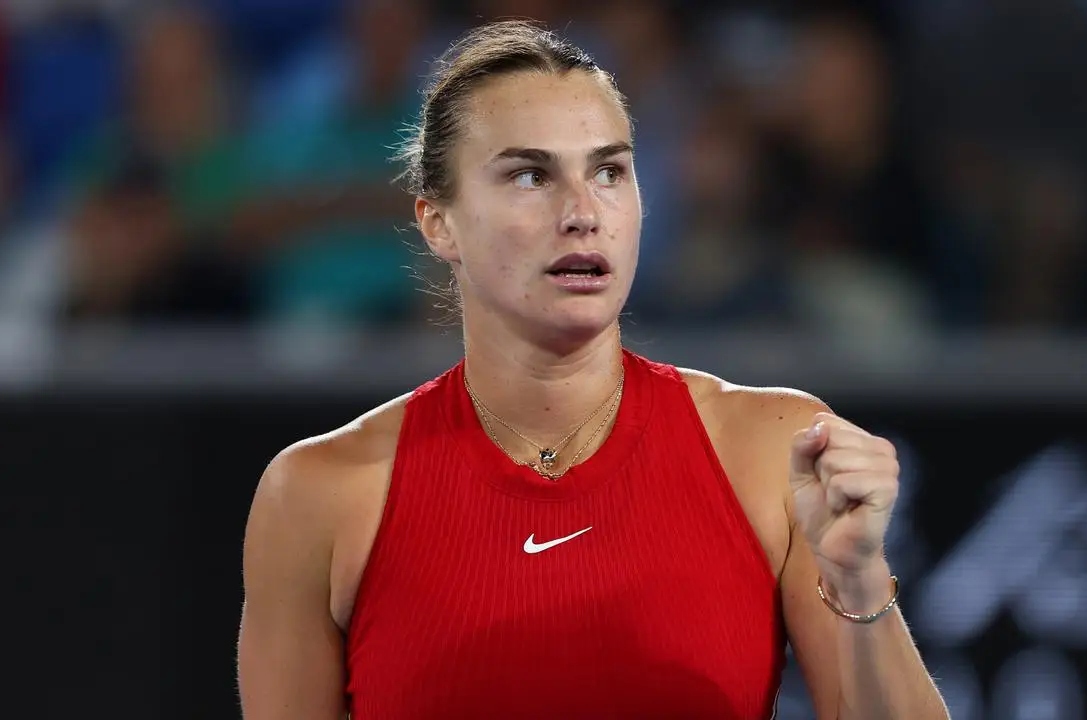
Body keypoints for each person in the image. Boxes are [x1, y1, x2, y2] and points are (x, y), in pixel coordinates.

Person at [237, 20, 949, 720]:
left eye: (610, 171)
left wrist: (857, 586)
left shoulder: (773, 449)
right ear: (439, 223)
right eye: (529, 175)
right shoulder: (318, 497)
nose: (583, 212)